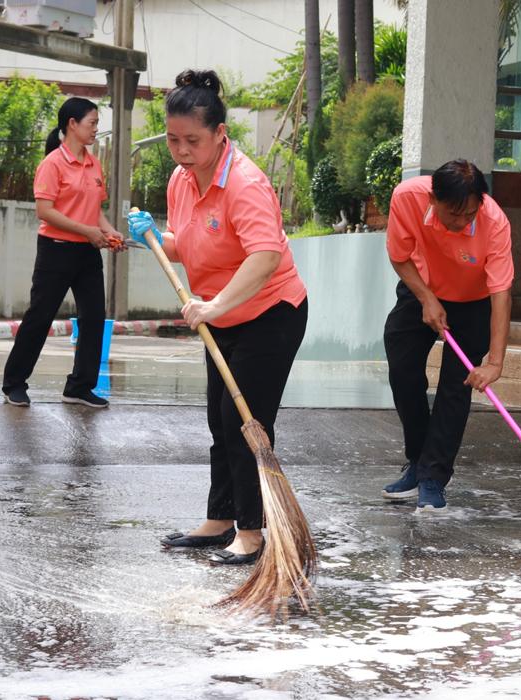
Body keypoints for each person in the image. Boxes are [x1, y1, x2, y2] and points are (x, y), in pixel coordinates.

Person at [128, 69, 308, 566]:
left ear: (220, 134)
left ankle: (252, 533)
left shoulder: (246, 183)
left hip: (271, 313)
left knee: (244, 421)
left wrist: (215, 305)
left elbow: (265, 255)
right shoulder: (182, 181)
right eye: (172, 139)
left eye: (193, 140)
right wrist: (150, 239)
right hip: (222, 316)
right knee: (218, 420)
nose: (181, 150)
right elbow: (187, 247)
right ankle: (221, 518)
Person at [380, 160, 515, 512]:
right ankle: (419, 460)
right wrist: (427, 298)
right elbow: (399, 256)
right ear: (432, 199)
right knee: (402, 363)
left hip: (473, 302)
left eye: (469, 213)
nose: (461, 222)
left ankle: (433, 477)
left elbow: (501, 291)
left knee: (457, 385)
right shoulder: (407, 197)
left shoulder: (494, 222)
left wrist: (495, 362)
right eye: (454, 214)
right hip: (422, 287)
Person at [1, 97, 123, 409]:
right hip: (56, 251)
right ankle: (14, 383)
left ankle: (80, 387)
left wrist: (109, 231)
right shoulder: (52, 164)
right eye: (92, 123)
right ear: (72, 124)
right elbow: (45, 211)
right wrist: (87, 231)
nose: (96, 129)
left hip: (88, 252)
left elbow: (94, 210)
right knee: (39, 317)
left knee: (94, 317)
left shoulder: (94, 163)